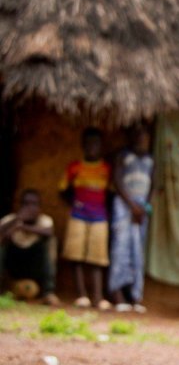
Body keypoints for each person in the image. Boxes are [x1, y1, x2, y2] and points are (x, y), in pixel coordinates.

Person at [59, 127, 112, 310]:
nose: (92, 147)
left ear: (101, 146)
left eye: (96, 143)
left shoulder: (106, 169)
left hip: (99, 216)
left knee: (97, 258)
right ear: (82, 145)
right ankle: (82, 295)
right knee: (76, 255)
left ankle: (98, 297)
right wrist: (75, 204)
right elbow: (63, 190)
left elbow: (111, 193)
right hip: (78, 215)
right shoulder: (74, 167)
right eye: (88, 143)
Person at [108, 124, 154, 313]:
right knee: (120, 249)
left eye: (143, 136)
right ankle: (117, 294)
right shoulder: (123, 156)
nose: (140, 139)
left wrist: (143, 208)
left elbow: (153, 185)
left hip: (142, 209)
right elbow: (117, 181)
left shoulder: (151, 160)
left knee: (137, 251)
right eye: (137, 136)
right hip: (124, 206)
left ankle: (135, 297)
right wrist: (131, 205)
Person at [0, 189, 59, 305]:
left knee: (51, 242)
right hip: (14, 265)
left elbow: (49, 232)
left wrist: (23, 227)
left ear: (39, 206)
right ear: (20, 205)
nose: (30, 208)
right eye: (26, 204)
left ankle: (48, 292)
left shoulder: (44, 220)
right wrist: (16, 221)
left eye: (34, 204)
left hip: (35, 268)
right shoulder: (10, 219)